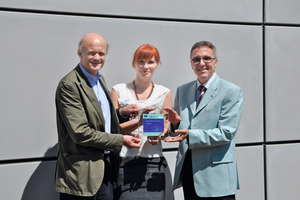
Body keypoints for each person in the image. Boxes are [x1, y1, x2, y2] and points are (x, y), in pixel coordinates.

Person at [55, 33, 142, 200]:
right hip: (81, 176)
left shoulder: (99, 80)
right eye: (91, 53)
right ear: (80, 53)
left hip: (104, 168)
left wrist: (120, 114)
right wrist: (120, 140)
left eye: (101, 53)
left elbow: (100, 121)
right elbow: (80, 132)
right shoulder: (69, 85)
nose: (97, 57)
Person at [164, 41, 243, 200]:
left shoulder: (231, 91)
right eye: (196, 59)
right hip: (189, 173)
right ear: (191, 64)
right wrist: (175, 124)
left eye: (206, 58)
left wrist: (190, 135)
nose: (201, 63)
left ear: (216, 62)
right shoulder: (183, 90)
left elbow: (226, 132)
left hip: (216, 176)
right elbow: (179, 128)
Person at [110, 44, 174, 200]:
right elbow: (112, 130)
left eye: (151, 62)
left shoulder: (164, 92)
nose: (146, 67)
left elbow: (166, 127)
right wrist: (139, 121)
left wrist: (159, 134)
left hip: (153, 160)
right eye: (141, 62)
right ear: (134, 64)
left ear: (157, 64)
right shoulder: (119, 90)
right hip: (124, 160)